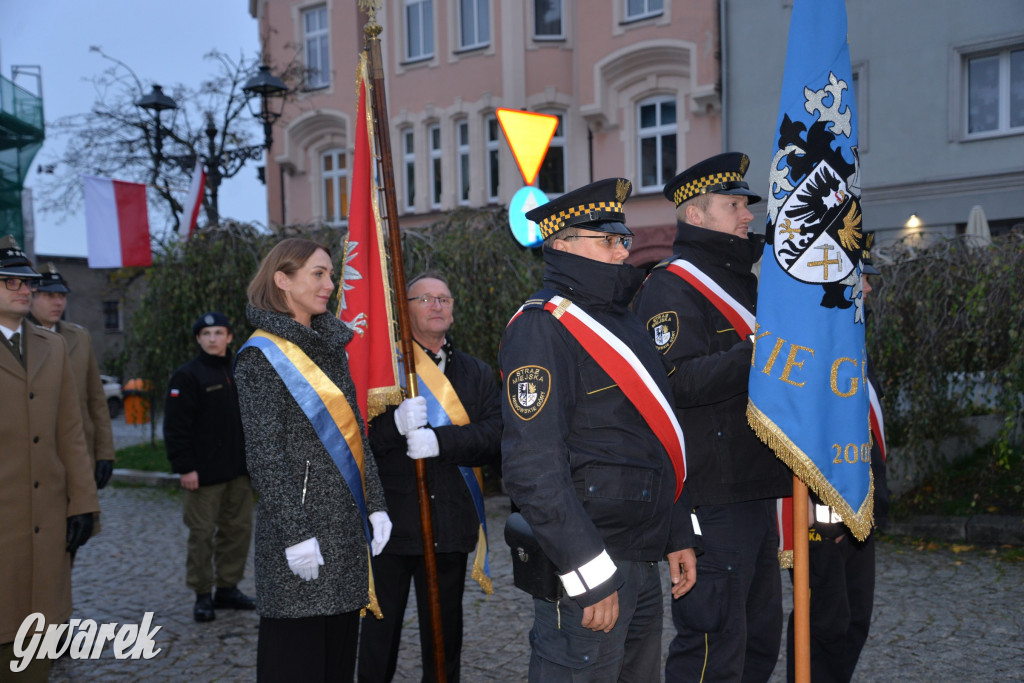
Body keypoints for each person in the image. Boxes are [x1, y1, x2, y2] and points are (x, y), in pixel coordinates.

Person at [500, 178, 698, 681]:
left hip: (641, 553)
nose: (621, 250)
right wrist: (589, 574)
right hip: (592, 560)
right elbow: (532, 468)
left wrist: (676, 534)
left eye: (623, 239)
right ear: (562, 244)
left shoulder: (624, 320)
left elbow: (658, 438)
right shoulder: (540, 327)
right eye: (606, 239)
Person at [632, 152, 793, 681]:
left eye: (745, 205)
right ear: (696, 216)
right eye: (734, 205)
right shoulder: (670, 287)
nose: (748, 215)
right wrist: (759, 350)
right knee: (712, 645)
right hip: (711, 495)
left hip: (754, 485)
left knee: (758, 640)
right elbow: (675, 383)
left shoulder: (742, 281)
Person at [234, 237, 391, 681]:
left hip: (343, 532)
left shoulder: (329, 345)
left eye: (331, 273)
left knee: (338, 664)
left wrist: (376, 503)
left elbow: (356, 434)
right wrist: (294, 534)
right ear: (282, 280)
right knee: (297, 665)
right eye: (318, 274)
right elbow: (264, 455)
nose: (330, 284)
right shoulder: (260, 356)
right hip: (302, 538)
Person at [358, 271, 502, 683]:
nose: (437, 305)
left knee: (444, 641)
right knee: (378, 639)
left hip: (450, 525)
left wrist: (442, 441)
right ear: (405, 312)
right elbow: (355, 437)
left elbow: (496, 433)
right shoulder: (383, 373)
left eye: (444, 299)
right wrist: (394, 426)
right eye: (425, 299)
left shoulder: (475, 372)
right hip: (393, 526)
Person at [785, 238, 890, 683]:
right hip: (820, 522)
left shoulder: (852, 342)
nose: (867, 288)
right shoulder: (809, 349)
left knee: (853, 622)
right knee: (822, 625)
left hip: (857, 514)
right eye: (860, 279)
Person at [0, 236, 98, 680]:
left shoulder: (51, 346)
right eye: (11, 282)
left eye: (27, 282)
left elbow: (71, 432)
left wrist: (82, 503)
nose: (24, 289)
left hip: (47, 518)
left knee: (37, 641)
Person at [163, 311, 255, 622]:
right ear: (198, 339)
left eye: (218, 333)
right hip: (202, 476)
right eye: (206, 334)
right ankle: (202, 594)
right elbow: (176, 427)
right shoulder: (187, 376)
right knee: (202, 534)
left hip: (238, 472)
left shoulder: (241, 369)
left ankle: (227, 588)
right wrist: (184, 467)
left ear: (229, 337)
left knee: (237, 531)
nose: (213, 339)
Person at [28, 262, 116, 562]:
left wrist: (105, 453)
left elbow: (96, 400)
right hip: (35, 458)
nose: (58, 302)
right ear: (32, 295)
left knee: (73, 537)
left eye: (62, 296)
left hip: (76, 455)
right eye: (49, 295)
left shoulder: (79, 337)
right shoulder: (19, 341)